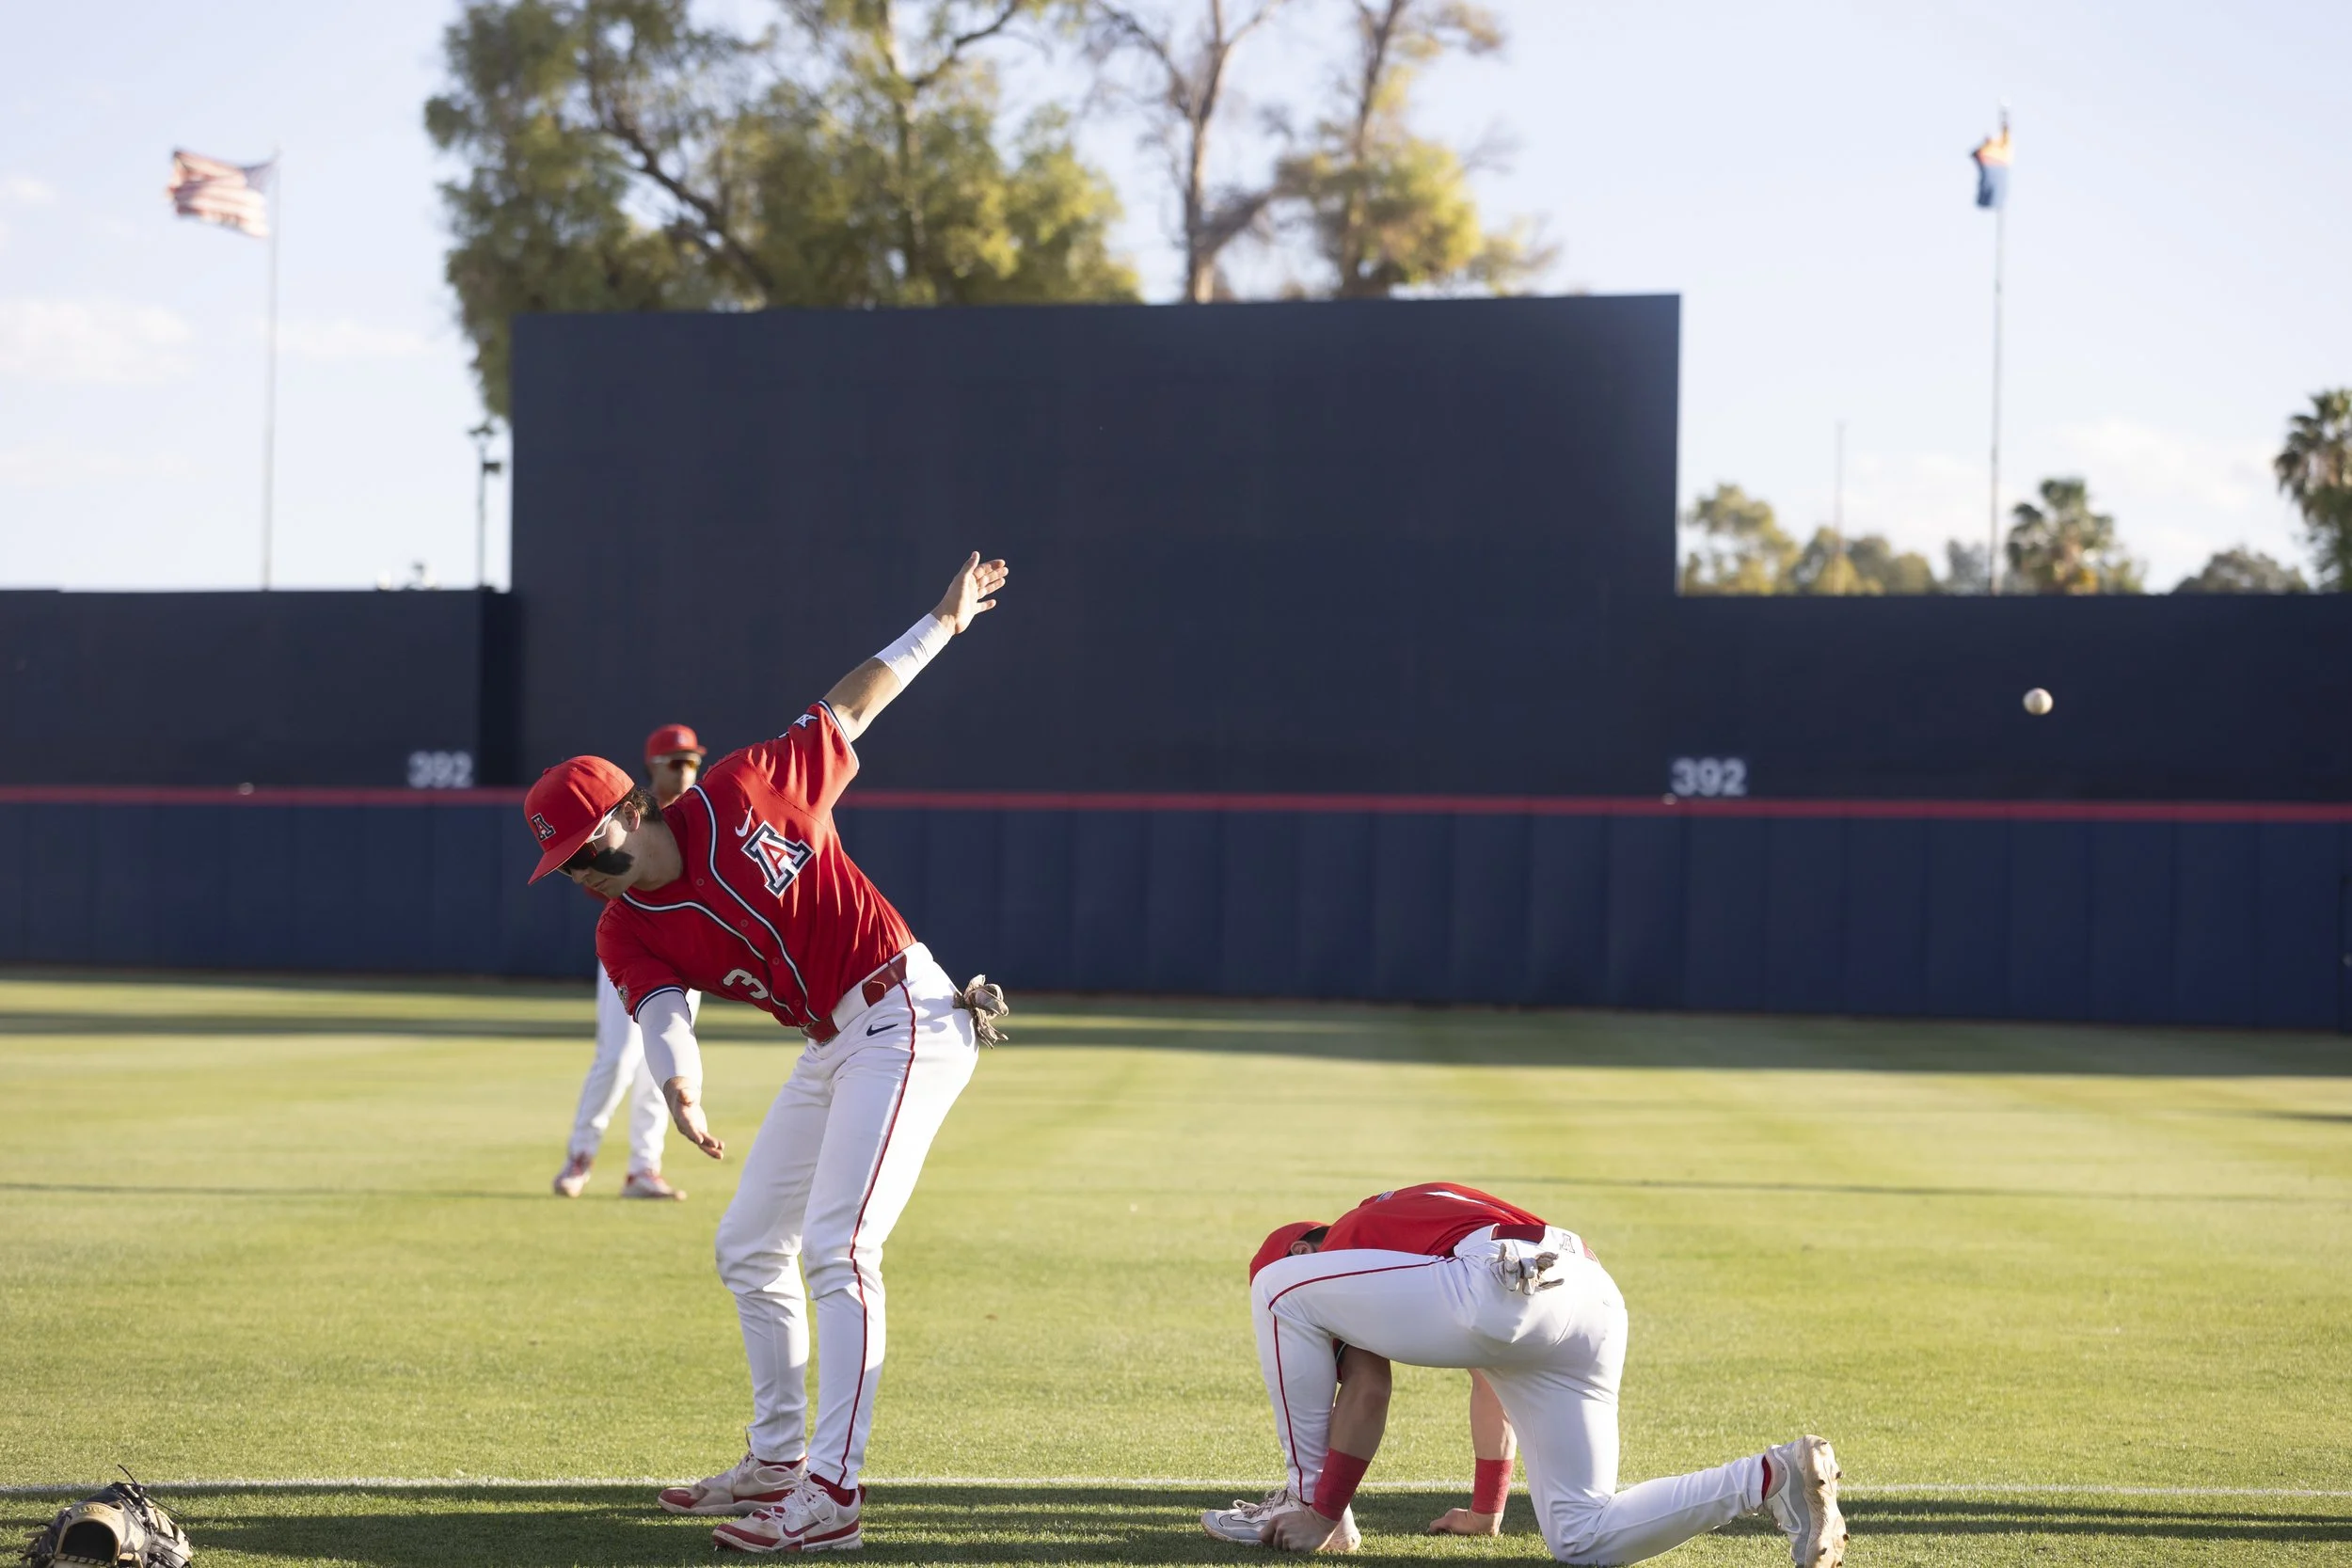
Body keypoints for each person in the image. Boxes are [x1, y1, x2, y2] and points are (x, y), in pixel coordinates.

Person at [519, 553, 1012, 1554]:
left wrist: (942, 622)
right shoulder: (623, 926)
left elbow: (850, 706)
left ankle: (832, 1495)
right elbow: (663, 1016)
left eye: (582, 851)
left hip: (908, 1011)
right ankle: (781, 1458)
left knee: (838, 1245)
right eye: (561, 863)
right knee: (749, 1243)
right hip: (834, 1040)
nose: (577, 873)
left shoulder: (747, 785)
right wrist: (683, 1091)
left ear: (628, 814)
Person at [1201, 1182, 1846, 1567]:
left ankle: (1305, 1496)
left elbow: (1367, 1390)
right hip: (1587, 1299)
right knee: (1582, 1535)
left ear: (1298, 1248)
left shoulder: (1346, 1236)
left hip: (1502, 1277)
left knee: (1276, 1294)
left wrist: (1325, 1510)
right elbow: (1491, 1374)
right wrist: (1488, 1507)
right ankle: (1772, 1476)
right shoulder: (1402, 1240)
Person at [551, 723, 708, 1201]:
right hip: (634, 952)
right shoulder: (625, 820)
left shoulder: (703, 813)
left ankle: (644, 1168)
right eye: (676, 762)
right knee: (618, 1058)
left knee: (662, 1067)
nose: (687, 770)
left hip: (689, 957)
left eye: (692, 761)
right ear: (654, 767)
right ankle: (581, 1153)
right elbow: (595, 878)